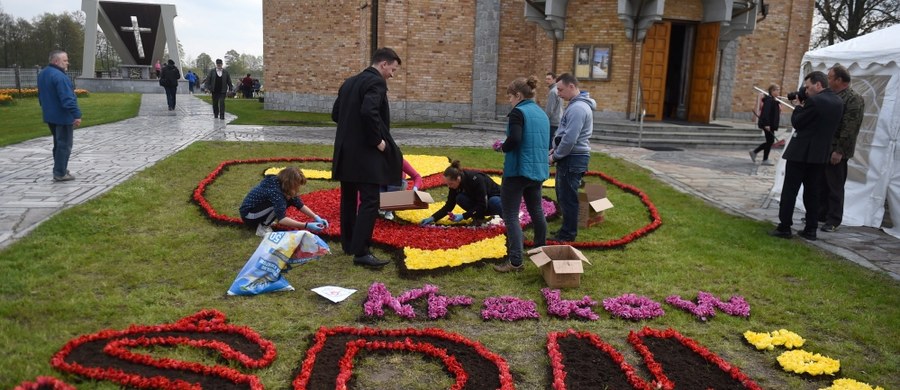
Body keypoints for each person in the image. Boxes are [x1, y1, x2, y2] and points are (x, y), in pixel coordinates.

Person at [331, 47, 404, 268]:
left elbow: (336, 114)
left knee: (349, 198)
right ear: (383, 64)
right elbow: (368, 112)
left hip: (345, 152)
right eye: (392, 69)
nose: (392, 74)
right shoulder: (376, 83)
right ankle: (361, 251)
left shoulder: (349, 82)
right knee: (370, 200)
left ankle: (349, 243)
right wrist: (377, 141)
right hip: (365, 154)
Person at [769, 71, 843, 241]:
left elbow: (798, 122)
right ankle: (811, 229)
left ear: (818, 85)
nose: (806, 91)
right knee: (813, 193)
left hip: (801, 153)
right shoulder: (839, 102)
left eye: (808, 87)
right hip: (820, 155)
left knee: (790, 191)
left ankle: (784, 227)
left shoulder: (815, 101)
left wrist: (797, 106)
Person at [493, 76, 549, 273]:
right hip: (537, 170)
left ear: (518, 95)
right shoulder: (541, 113)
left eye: (510, 97)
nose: (509, 101)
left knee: (510, 215)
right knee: (536, 210)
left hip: (517, 170)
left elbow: (515, 138)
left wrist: (503, 147)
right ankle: (540, 249)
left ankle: (516, 260)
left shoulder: (518, 112)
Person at [549, 73, 596, 242]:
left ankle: (568, 235)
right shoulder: (576, 105)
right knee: (564, 195)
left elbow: (570, 138)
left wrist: (555, 156)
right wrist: (554, 150)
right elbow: (564, 135)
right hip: (571, 157)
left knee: (568, 198)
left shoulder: (578, 108)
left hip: (572, 158)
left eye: (560, 90)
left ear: (571, 86)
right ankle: (566, 230)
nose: (559, 94)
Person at [818, 65, 865, 232]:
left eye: (830, 77)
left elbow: (850, 128)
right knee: (822, 183)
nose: (827, 80)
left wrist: (839, 150)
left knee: (834, 185)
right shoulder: (832, 95)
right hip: (824, 146)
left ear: (839, 80)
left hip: (837, 149)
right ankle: (821, 214)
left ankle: (833, 219)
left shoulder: (853, 99)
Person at [239, 167, 328, 237]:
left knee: (289, 198)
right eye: (296, 185)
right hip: (249, 215)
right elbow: (282, 219)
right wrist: (306, 225)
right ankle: (263, 227)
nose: (298, 188)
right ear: (290, 183)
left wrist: (316, 217)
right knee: (280, 202)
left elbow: (299, 204)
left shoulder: (282, 185)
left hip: (255, 212)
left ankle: (264, 221)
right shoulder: (275, 191)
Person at [37, 50, 82, 182]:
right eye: (65, 60)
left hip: (50, 115)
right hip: (62, 116)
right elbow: (67, 98)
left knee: (58, 143)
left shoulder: (43, 73)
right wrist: (76, 114)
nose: (67, 63)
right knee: (64, 144)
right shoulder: (60, 77)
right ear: (56, 61)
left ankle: (60, 167)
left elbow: (41, 95)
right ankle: (60, 173)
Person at [420, 160, 502, 226]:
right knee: (460, 198)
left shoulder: (476, 179)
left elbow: (482, 205)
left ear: (458, 179)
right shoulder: (454, 185)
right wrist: (433, 218)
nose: (449, 186)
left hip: (496, 200)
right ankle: (479, 219)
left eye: (450, 183)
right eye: (447, 184)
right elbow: (449, 205)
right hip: (480, 204)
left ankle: (509, 220)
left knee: (494, 201)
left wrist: (464, 216)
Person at [750, 84, 781, 165]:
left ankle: (756, 153)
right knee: (770, 141)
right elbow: (765, 113)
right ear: (772, 91)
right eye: (777, 90)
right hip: (767, 124)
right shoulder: (769, 100)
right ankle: (762, 157)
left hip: (770, 124)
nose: (778, 91)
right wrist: (767, 124)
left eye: (778, 90)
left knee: (770, 141)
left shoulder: (773, 100)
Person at [544, 72, 562, 149]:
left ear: (554, 80)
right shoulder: (558, 90)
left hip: (552, 121)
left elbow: (549, 109)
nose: (547, 81)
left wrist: (544, 120)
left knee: (549, 143)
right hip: (558, 120)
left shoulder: (552, 92)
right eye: (546, 79)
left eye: (549, 79)